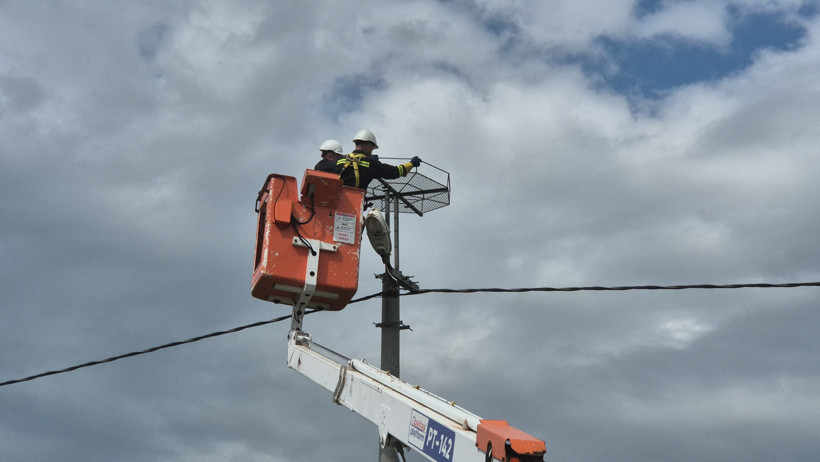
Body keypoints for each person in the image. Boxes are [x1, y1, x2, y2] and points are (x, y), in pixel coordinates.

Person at [335, 130, 421, 189]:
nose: (371, 152)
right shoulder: (371, 164)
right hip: (354, 203)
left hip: (334, 201)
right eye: (372, 148)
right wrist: (412, 164)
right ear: (369, 145)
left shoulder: (339, 159)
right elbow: (395, 172)